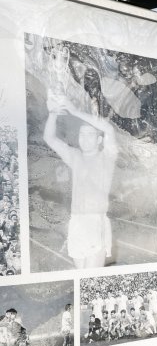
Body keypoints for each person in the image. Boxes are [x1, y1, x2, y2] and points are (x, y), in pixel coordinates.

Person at [43, 94, 119, 268]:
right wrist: (53, 113)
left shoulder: (107, 157)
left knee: (90, 279)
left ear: (99, 140)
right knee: (80, 276)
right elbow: (49, 138)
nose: (84, 139)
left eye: (89, 135)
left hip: (95, 222)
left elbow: (109, 129)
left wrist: (74, 111)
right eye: (81, 135)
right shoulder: (75, 156)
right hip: (76, 222)